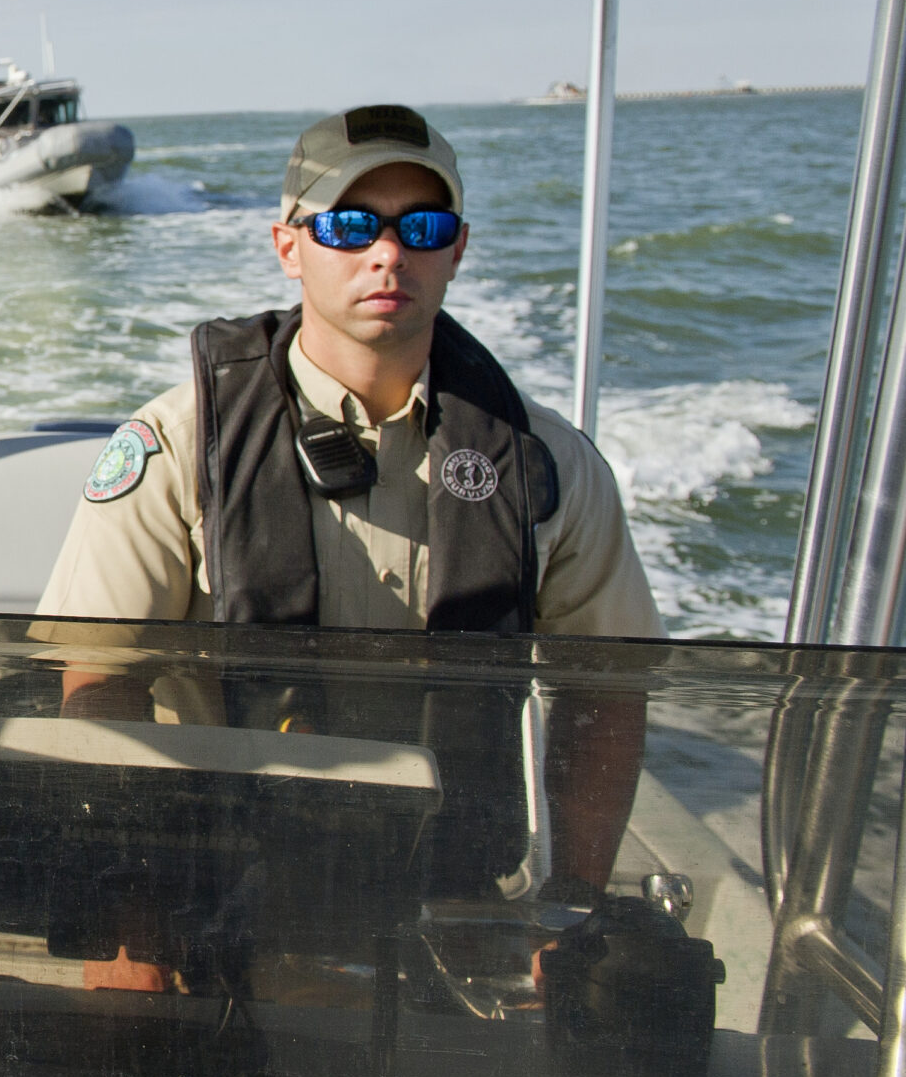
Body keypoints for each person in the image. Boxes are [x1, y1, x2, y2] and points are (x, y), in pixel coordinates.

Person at [40, 103, 660, 903]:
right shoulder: (179, 447)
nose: (389, 253)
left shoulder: (548, 468)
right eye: (351, 226)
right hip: (210, 887)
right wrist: (130, 912)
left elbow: (604, 694)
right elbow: (98, 677)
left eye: (425, 227)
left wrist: (571, 903)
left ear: (458, 250)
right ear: (289, 247)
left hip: (447, 899)